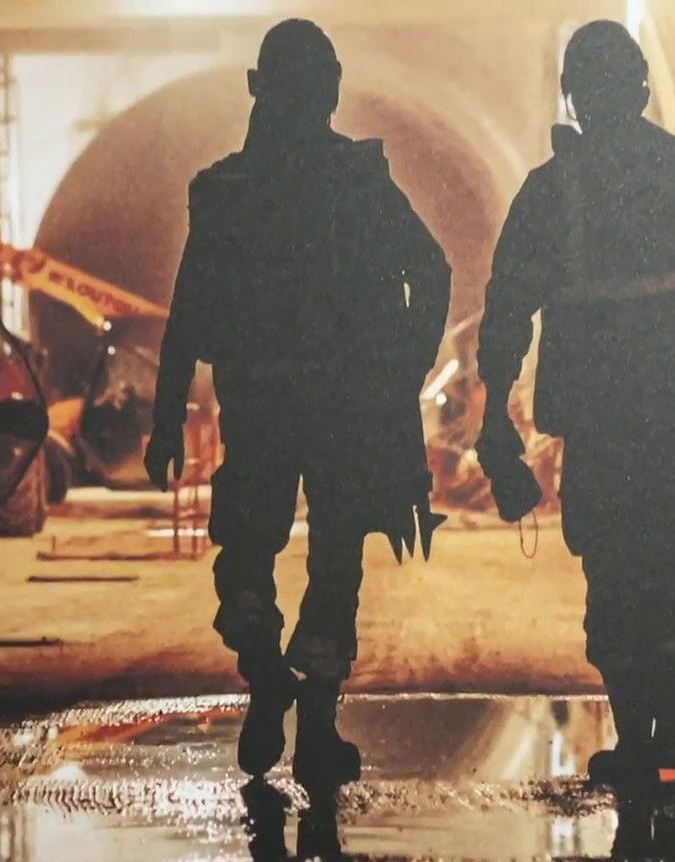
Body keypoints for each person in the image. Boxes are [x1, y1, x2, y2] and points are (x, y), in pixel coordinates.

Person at [475, 20, 675, 783]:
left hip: (601, 424)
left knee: (616, 569)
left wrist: (495, 417)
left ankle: (634, 740)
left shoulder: (552, 192)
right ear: (646, 88)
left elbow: (507, 309)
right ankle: (674, 729)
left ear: (573, 98)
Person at [147, 19, 451, 791]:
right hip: (348, 408)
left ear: (258, 87)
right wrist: (402, 370)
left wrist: (166, 416)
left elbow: (189, 309)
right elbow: (432, 269)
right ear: (331, 91)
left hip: (259, 408)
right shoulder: (359, 182)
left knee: (247, 555)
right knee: (336, 560)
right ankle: (317, 728)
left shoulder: (223, 192)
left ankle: (265, 673)